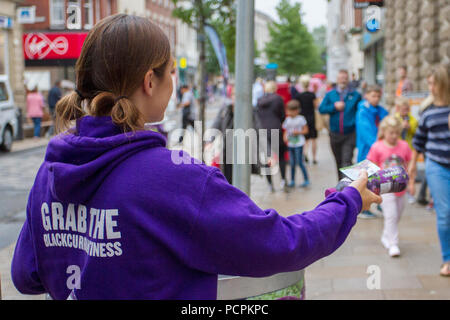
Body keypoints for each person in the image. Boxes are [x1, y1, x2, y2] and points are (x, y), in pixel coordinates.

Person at [10, 14, 382, 300]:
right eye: (171, 71)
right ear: (149, 81)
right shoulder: (174, 178)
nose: (174, 82)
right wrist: (347, 200)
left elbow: (26, 274)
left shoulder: (52, 170)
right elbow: (281, 245)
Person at [409, 64, 450, 277]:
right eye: (429, 84)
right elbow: (419, 141)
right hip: (437, 166)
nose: (431, 88)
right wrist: (413, 166)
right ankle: (448, 259)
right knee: (445, 214)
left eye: (434, 83)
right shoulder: (428, 111)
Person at [367, 116, 413, 257]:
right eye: (391, 133)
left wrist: (411, 182)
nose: (394, 136)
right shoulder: (377, 147)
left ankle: (386, 235)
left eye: (396, 133)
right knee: (391, 215)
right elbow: (371, 166)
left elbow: (411, 161)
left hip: (401, 188)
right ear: (384, 132)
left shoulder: (404, 145)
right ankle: (393, 244)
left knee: (397, 215)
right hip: (386, 189)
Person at [319, 70, 362, 180]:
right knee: (338, 161)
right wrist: (334, 107)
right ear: (337, 80)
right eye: (341, 78)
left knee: (346, 161)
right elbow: (321, 109)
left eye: (345, 78)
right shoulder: (330, 94)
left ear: (348, 80)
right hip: (334, 134)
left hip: (350, 133)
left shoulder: (355, 95)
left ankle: (347, 188)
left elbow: (361, 110)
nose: (343, 80)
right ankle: (341, 184)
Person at [355, 85, 388, 219]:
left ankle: (380, 203)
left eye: (378, 96)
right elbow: (366, 132)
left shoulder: (380, 110)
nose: (376, 99)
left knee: (379, 179)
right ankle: (363, 208)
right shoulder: (362, 112)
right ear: (366, 96)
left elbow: (388, 121)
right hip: (367, 151)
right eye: (373, 96)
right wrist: (379, 145)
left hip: (379, 150)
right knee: (365, 180)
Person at [256, 81, 288, 192]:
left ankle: (270, 184)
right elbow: (282, 115)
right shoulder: (278, 99)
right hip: (276, 128)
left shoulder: (259, 100)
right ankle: (283, 180)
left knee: (266, 158)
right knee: (281, 157)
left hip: (263, 130)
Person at [291, 75, 319, 164]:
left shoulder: (298, 96)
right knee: (313, 138)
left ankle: (304, 153)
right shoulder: (312, 95)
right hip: (311, 117)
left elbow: (296, 107)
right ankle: (314, 158)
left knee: (304, 138)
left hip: (302, 119)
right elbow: (316, 106)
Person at [282, 100, 310, 188]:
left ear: (296, 110)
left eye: (290, 110)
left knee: (299, 162)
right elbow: (285, 130)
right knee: (292, 163)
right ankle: (292, 180)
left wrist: (298, 132)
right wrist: (285, 137)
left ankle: (306, 179)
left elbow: (306, 130)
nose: (288, 112)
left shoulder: (301, 119)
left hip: (299, 144)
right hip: (291, 144)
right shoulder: (287, 120)